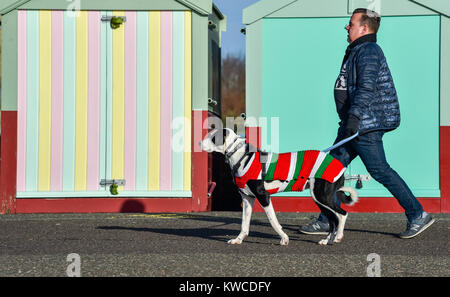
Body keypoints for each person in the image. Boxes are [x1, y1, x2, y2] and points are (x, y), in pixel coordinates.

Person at [299, 8, 434, 239]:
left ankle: (418, 214)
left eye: (350, 24)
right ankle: (326, 218)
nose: (346, 27)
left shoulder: (369, 50)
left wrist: (354, 117)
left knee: (380, 170)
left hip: (364, 124)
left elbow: (366, 88)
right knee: (329, 170)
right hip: (354, 124)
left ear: (364, 28)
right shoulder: (357, 50)